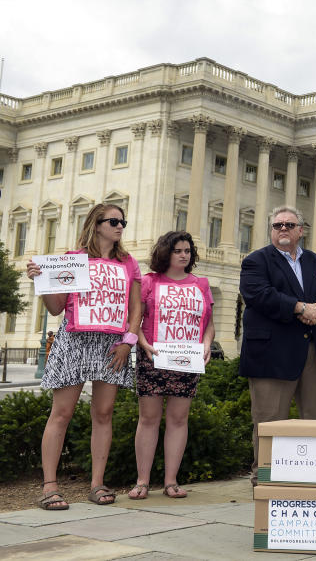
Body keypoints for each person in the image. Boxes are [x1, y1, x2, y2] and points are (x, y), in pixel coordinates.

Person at [26, 203, 142, 510]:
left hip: (113, 345)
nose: (120, 226)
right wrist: (40, 280)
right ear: (97, 224)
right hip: (75, 340)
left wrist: (128, 343)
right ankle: (49, 486)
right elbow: (55, 307)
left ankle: (97, 483)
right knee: (61, 413)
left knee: (103, 414)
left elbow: (136, 310)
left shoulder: (129, 263)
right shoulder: (74, 259)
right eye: (114, 221)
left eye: (123, 222)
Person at [239, 206, 316, 474]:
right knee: (270, 420)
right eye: (277, 225)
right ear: (272, 230)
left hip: (313, 351)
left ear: (300, 231)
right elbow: (259, 294)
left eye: (289, 225)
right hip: (272, 354)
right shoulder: (256, 261)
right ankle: (266, 478)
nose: (283, 229)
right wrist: (300, 308)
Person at [128, 231, 214, 500]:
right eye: (178, 250)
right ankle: (142, 480)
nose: (183, 255)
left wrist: (207, 344)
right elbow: (135, 319)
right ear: (166, 252)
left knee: (178, 420)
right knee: (149, 419)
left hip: (186, 361)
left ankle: (170, 481)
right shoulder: (149, 281)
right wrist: (143, 344)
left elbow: (208, 323)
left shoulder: (201, 283)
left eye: (187, 250)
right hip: (153, 358)